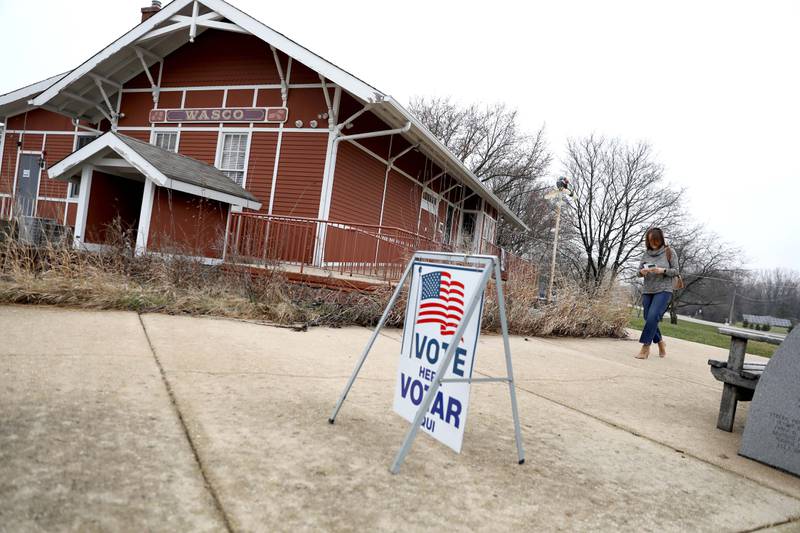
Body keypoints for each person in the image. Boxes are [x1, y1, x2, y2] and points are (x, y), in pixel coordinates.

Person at [635, 227, 680, 359]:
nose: (653, 243)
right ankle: (660, 342)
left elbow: (676, 271)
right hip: (648, 289)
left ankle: (645, 347)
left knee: (653, 315)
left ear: (660, 239)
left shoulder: (669, 252)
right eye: (650, 241)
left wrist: (662, 271)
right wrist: (642, 272)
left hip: (664, 289)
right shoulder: (646, 254)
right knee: (648, 317)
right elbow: (638, 272)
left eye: (655, 240)